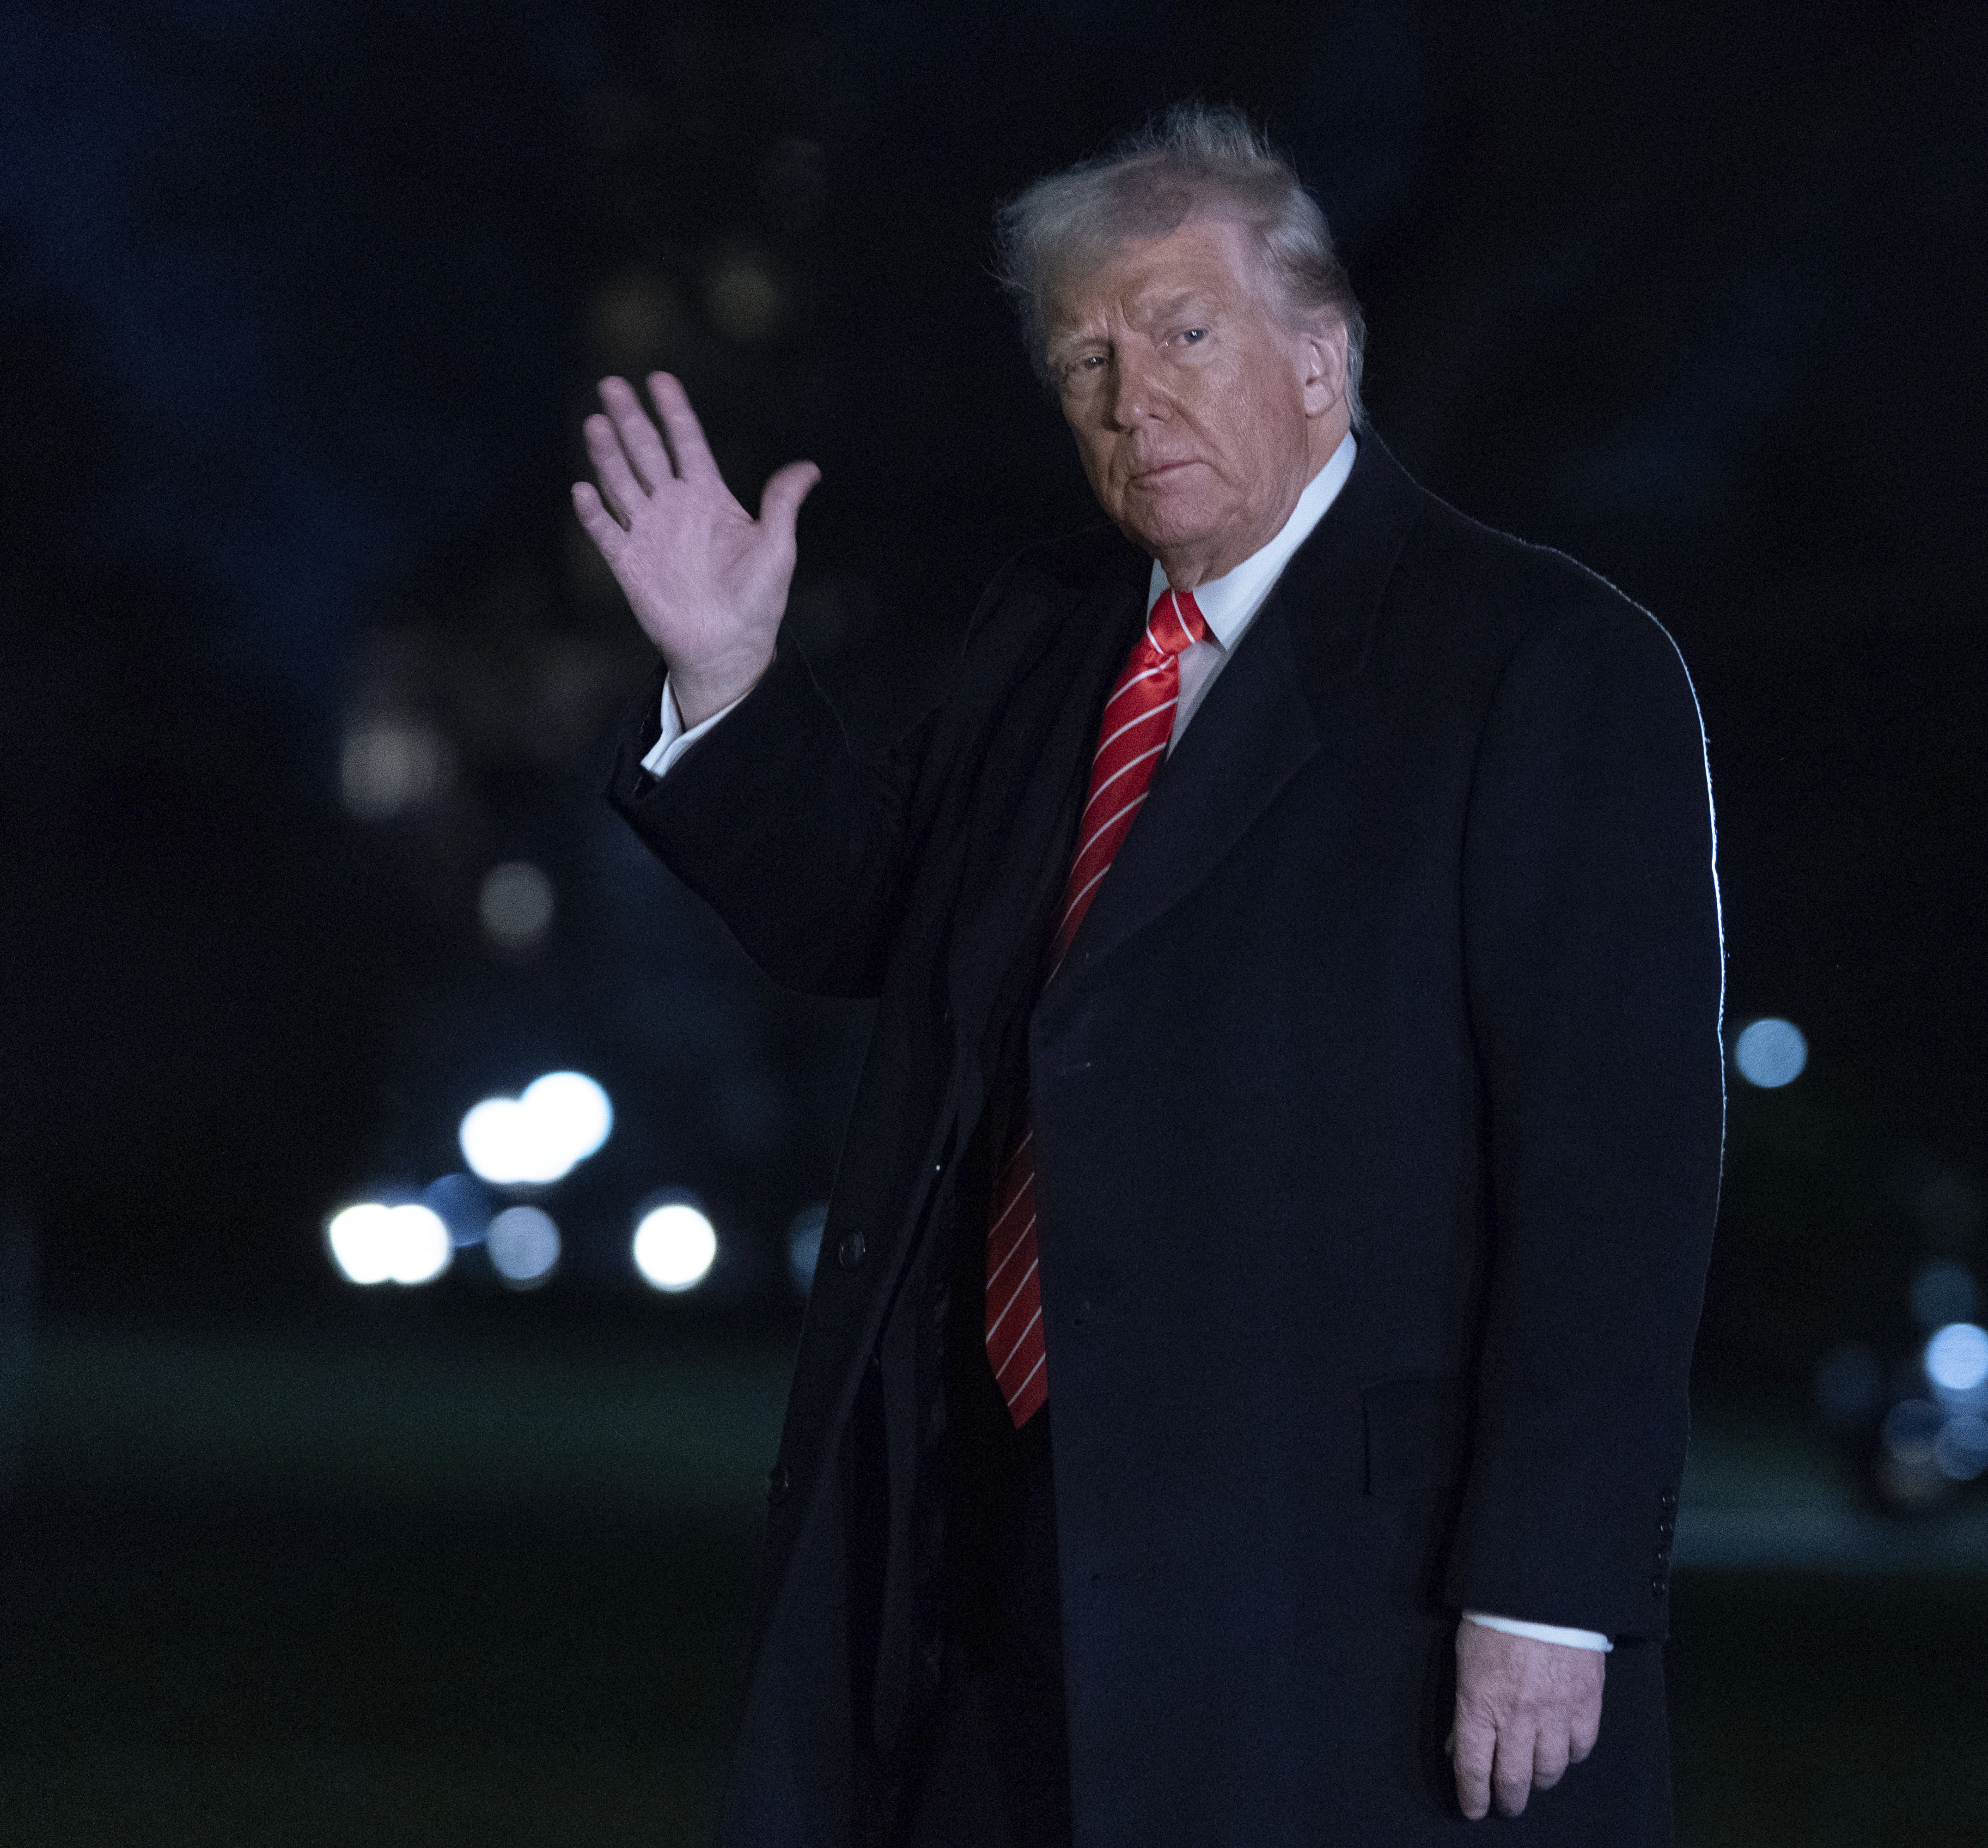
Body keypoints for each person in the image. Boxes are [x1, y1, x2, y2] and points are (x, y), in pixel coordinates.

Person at [574, 104, 1720, 1848]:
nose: (1132, 395)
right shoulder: (1047, 633)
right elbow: (874, 919)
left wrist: (1551, 1591)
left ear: (1324, 356)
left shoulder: (1546, 668)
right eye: (1084, 356)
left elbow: (1616, 1177)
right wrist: (730, 679)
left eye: (1183, 331)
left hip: (1340, 1603)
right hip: (998, 1563)